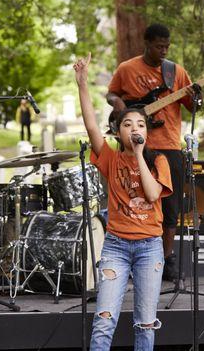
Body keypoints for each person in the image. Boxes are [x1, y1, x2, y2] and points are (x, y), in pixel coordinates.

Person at [74, 53, 173, 351]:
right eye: (127, 125)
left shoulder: (158, 160)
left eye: (140, 125)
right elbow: (91, 126)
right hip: (116, 246)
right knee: (104, 320)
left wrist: (140, 156)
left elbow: (154, 195)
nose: (134, 129)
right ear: (118, 132)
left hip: (149, 247)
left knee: (145, 323)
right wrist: (82, 84)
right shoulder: (109, 158)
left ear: (147, 131)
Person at [105, 23, 198, 266]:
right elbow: (111, 94)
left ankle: (166, 258)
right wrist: (118, 104)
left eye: (167, 46)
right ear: (146, 44)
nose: (164, 51)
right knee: (130, 198)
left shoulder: (176, 72)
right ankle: (126, 253)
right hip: (133, 147)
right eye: (159, 46)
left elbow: (193, 106)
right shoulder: (127, 69)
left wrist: (197, 98)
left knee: (170, 206)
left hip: (168, 146)